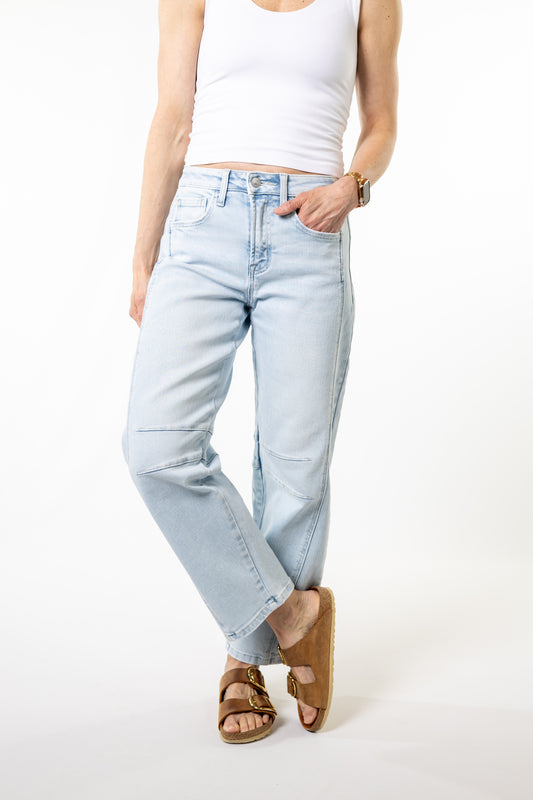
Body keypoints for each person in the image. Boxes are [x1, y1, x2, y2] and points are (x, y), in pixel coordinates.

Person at [122, 0, 402, 744]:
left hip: (309, 231)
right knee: (155, 448)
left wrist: (354, 185)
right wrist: (145, 258)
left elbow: (380, 126)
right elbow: (173, 118)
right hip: (202, 223)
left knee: (294, 466)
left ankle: (243, 664)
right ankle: (291, 618)